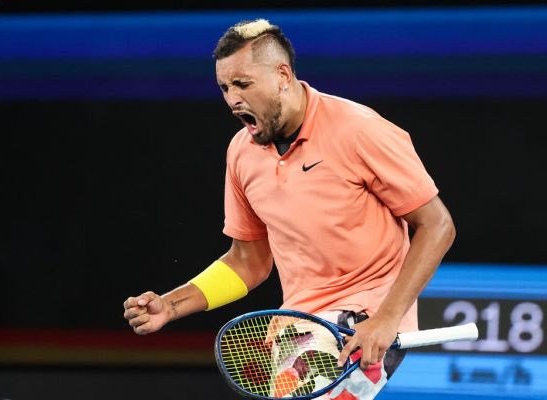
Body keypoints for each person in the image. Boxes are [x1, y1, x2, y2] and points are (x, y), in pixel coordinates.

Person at [123, 19, 455, 399]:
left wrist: (387, 318)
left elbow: (437, 225)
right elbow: (248, 261)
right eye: (224, 88)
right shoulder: (241, 154)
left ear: (283, 75)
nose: (233, 100)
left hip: (363, 322)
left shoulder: (360, 130)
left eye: (243, 84)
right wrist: (170, 305)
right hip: (298, 324)